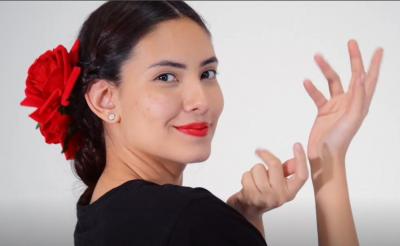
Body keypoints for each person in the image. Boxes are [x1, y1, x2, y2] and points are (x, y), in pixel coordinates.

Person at [20, 1, 383, 246]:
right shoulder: (186, 219)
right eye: (166, 77)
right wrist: (328, 162)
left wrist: (243, 217)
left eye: (207, 73)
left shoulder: (97, 213)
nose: (201, 100)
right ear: (104, 99)